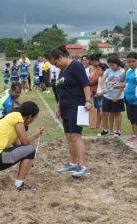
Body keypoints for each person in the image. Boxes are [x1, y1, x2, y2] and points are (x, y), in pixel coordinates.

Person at [0, 101, 44, 190]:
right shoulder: (17, 116)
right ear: (30, 117)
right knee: (30, 149)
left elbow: (20, 147)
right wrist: (35, 135)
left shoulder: (9, 124)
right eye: (35, 117)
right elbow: (26, 144)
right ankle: (19, 183)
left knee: (26, 151)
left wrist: (29, 157)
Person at [49, 45, 92, 177]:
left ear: (61, 57)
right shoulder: (62, 71)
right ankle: (73, 163)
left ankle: (83, 166)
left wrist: (88, 100)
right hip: (65, 107)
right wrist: (58, 107)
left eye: (56, 63)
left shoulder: (76, 66)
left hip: (77, 106)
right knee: (69, 137)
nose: (56, 66)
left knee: (76, 136)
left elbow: (85, 84)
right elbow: (61, 91)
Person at [97, 54, 125, 137]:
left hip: (118, 96)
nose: (111, 67)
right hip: (107, 96)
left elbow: (123, 84)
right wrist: (103, 88)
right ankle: (105, 130)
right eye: (109, 65)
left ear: (117, 63)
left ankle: (118, 131)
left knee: (117, 114)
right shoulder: (108, 71)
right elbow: (102, 81)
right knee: (105, 113)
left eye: (113, 65)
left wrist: (117, 95)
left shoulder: (122, 71)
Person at [94, 63, 109, 130]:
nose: (97, 71)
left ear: (104, 70)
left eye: (98, 69)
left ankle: (105, 127)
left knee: (103, 113)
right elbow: (99, 87)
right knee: (101, 113)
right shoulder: (100, 77)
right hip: (100, 97)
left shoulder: (107, 78)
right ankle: (103, 126)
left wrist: (100, 94)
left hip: (105, 97)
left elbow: (109, 89)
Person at [88, 54, 101, 128]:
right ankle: (96, 123)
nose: (90, 63)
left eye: (91, 61)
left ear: (94, 60)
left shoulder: (100, 67)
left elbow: (98, 79)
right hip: (93, 90)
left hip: (98, 90)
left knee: (99, 107)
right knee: (96, 107)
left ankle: (98, 124)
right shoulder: (93, 68)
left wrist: (89, 84)